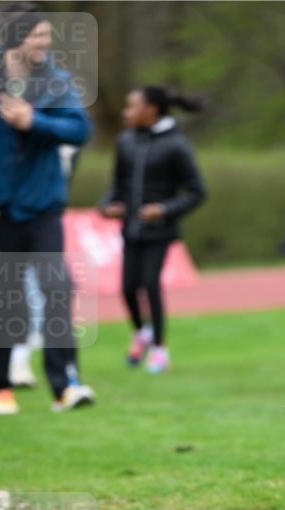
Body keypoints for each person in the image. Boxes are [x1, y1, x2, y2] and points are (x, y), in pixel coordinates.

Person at [0, 4, 95, 416]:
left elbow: (81, 130)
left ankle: (66, 386)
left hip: (44, 208)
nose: (45, 44)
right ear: (14, 40)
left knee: (57, 292)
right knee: (2, 300)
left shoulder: (57, 82)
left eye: (48, 37)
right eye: (38, 37)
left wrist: (36, 121)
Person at [101, 86, 207, 372]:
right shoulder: (125, 142)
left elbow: (197, 192)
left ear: (151, 110)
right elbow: (117, 186)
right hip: (130, 228)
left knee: (150, 285)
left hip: (160, 232)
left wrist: (163, 210)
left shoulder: (176, 145)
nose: (126, 112)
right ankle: (141, 332)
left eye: (131, 106)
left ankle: (159, 348)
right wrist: (107, 205)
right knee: (126, 288)